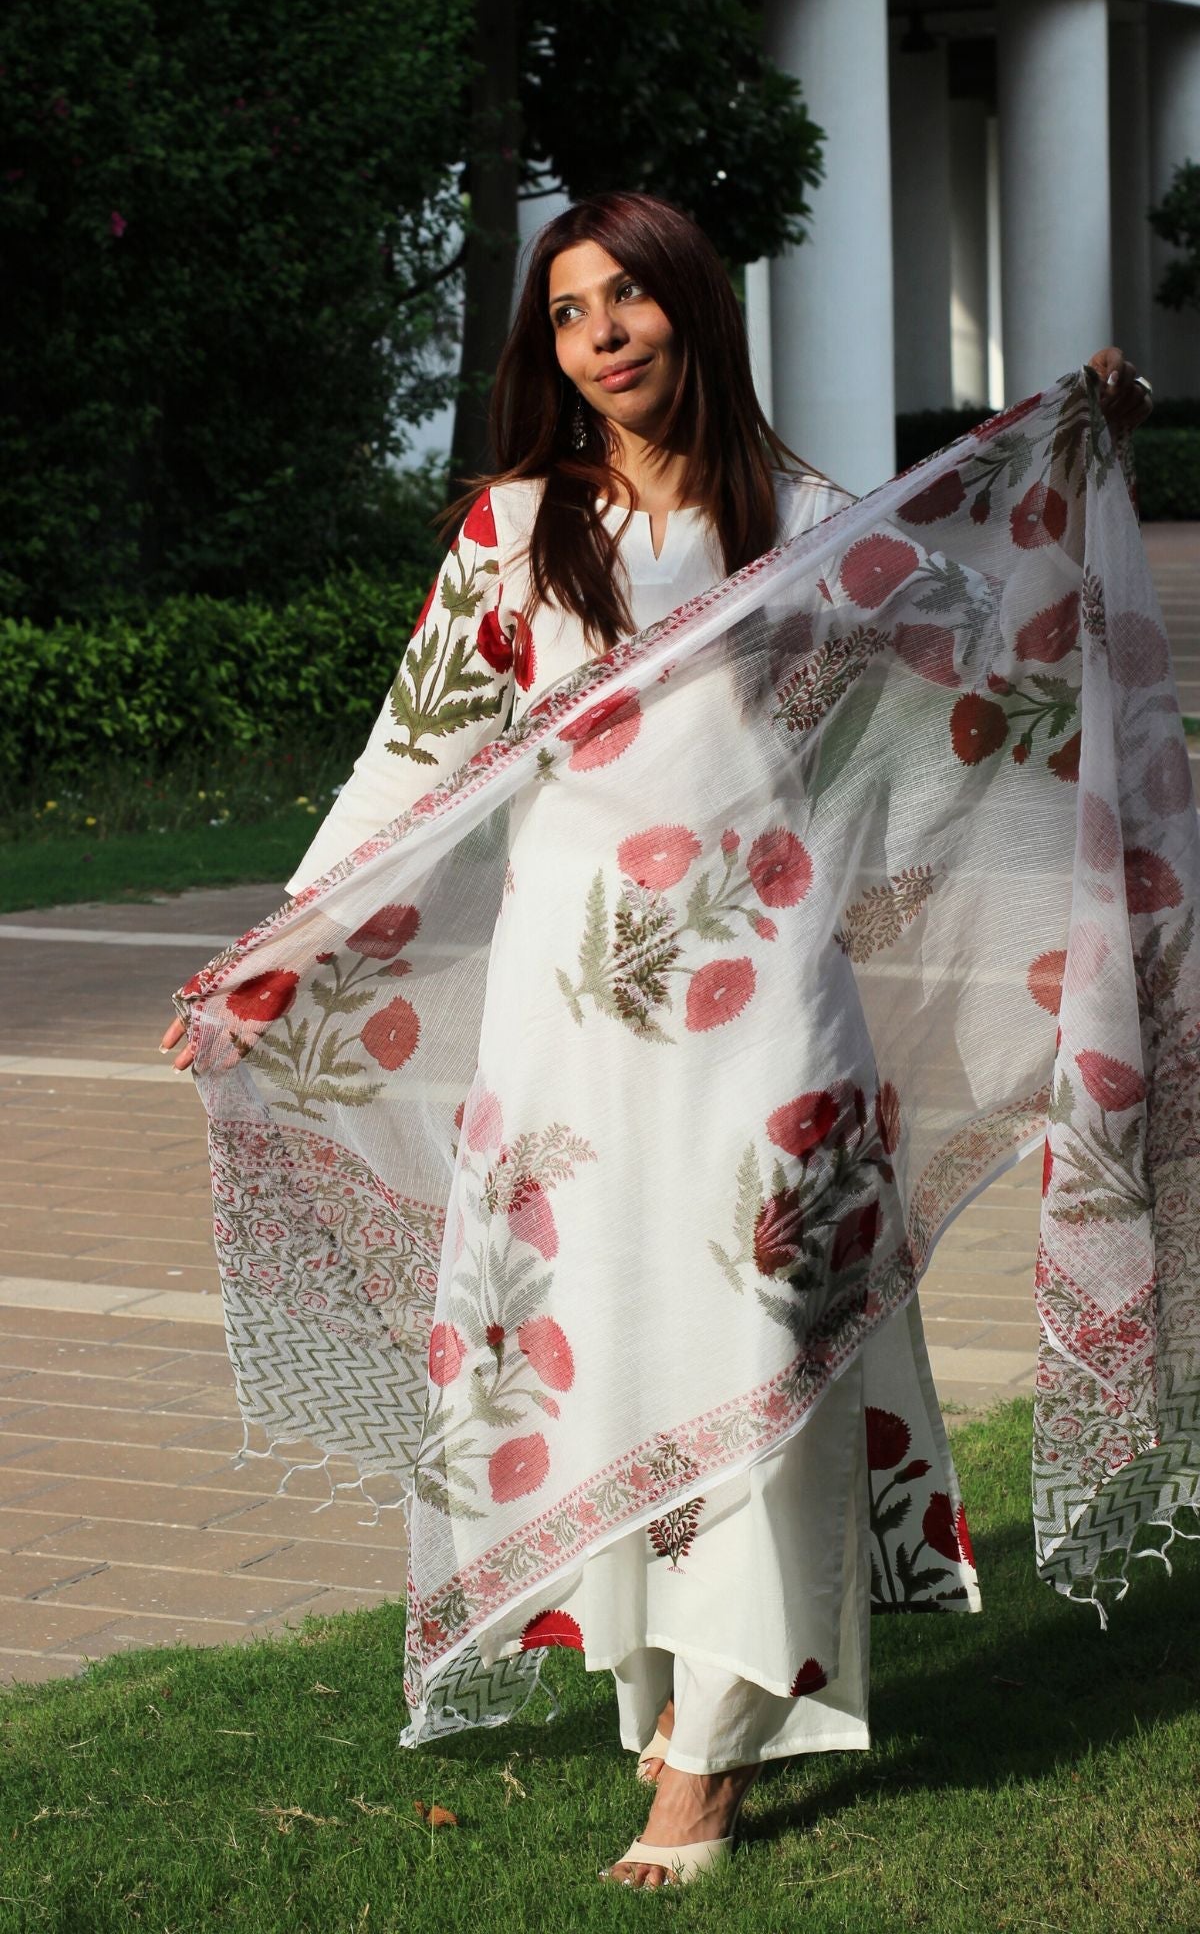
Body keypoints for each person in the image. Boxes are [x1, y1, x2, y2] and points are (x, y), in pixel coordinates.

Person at [160, 192, 1154, 1889]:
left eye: (631, 296)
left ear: (695, 309)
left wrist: (1060, 452)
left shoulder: (819, 526)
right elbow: (408, 770)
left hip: (769, 998)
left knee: (760, 1332)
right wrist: (273, 954)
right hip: (569, 1011)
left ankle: (710, 1756)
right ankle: (664, 1685)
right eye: (568, 312)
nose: (604, 331)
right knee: (603, 1327)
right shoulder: (515, 531)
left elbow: (981, 650)